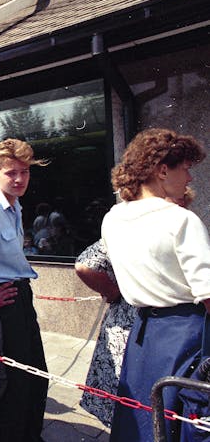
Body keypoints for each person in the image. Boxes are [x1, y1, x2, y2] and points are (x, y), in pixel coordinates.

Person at [102, 128, 210, 441]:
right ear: (163, 170)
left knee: (142, 419)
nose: (189, 178)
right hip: (186, 333)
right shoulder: (181, 220)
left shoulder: (112, 218)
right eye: (186, 168)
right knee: (182, 419)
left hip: (143, 336)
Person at [0, 138, 49, 442]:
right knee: (10, 382)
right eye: (11, 173)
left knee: (34, 373)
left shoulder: (14, 205)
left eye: (24, 172)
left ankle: (30, 434)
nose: (18, 179)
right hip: (1, 300)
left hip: (19, 294)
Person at [74, 239, 136, 427]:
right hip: (133, 321)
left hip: (127, 321)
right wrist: (114, 291)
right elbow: (84, 265)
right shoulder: (124, 222)